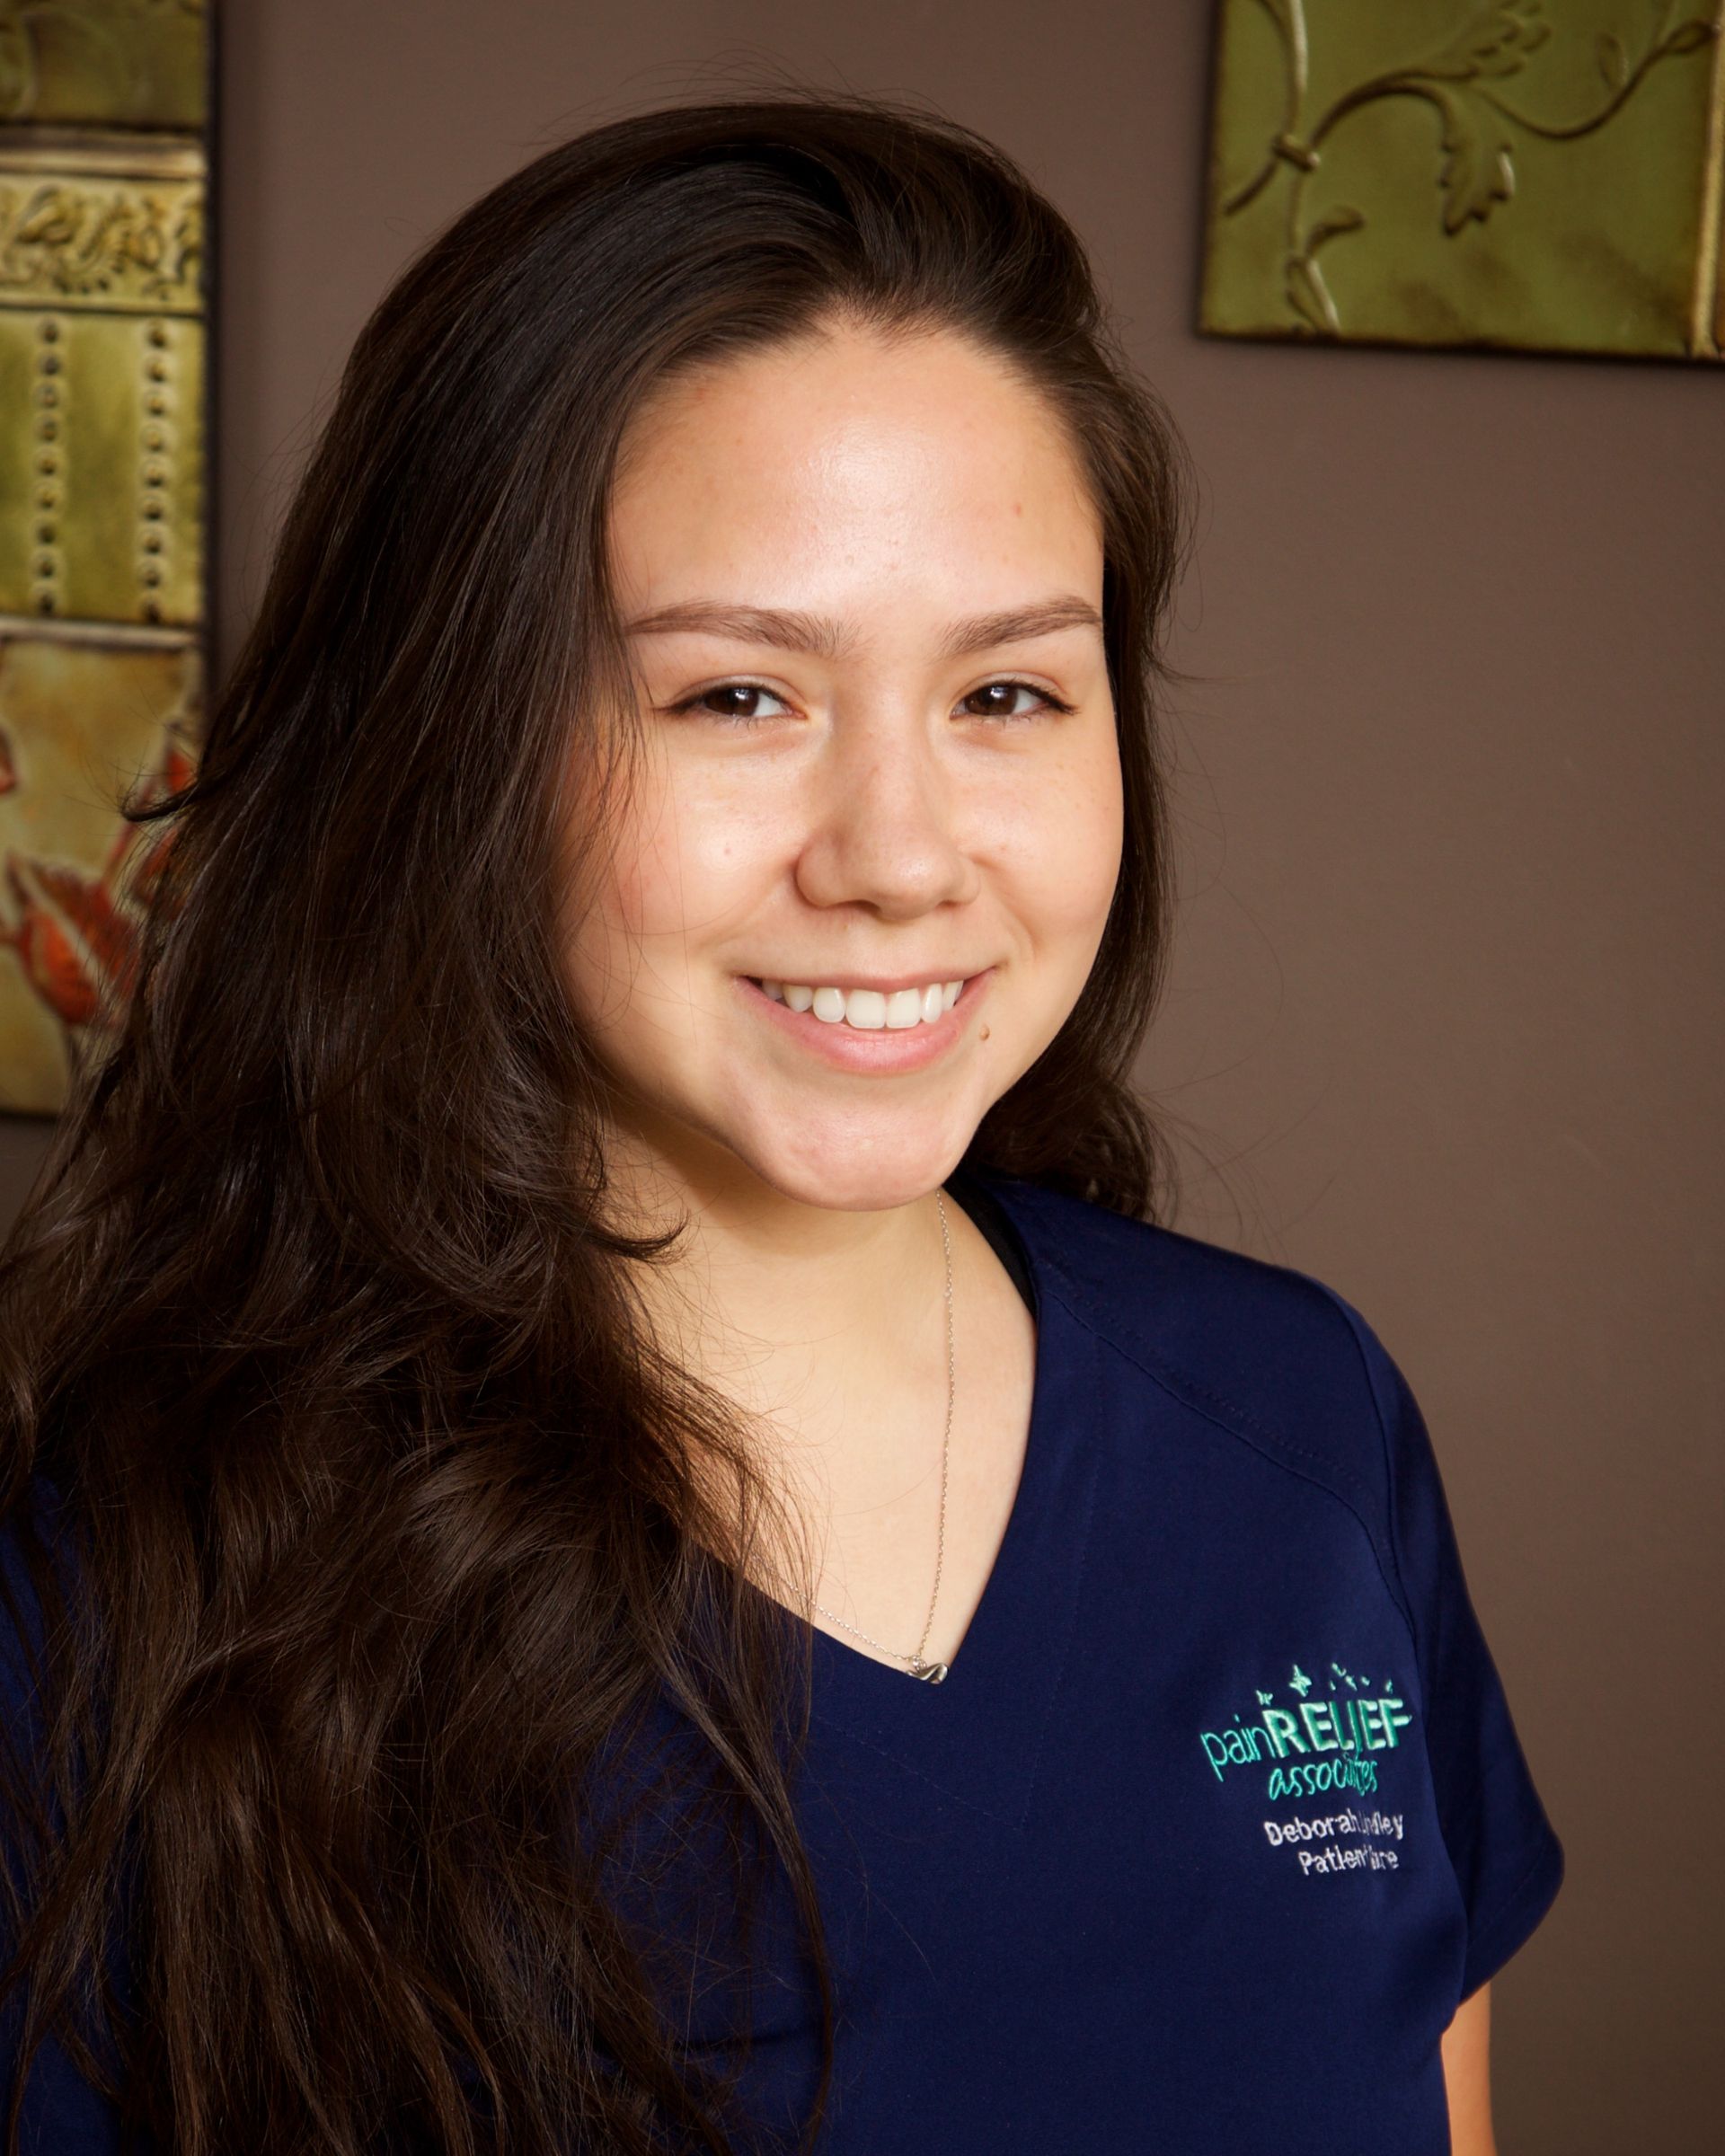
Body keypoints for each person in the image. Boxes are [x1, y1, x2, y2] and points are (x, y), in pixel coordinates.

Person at [0, 93, 1562, 2156]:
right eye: (739, 695)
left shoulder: (1299, 1420)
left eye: (1007, 694)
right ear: (451, 741)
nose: (901, 857)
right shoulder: (128, 1584)